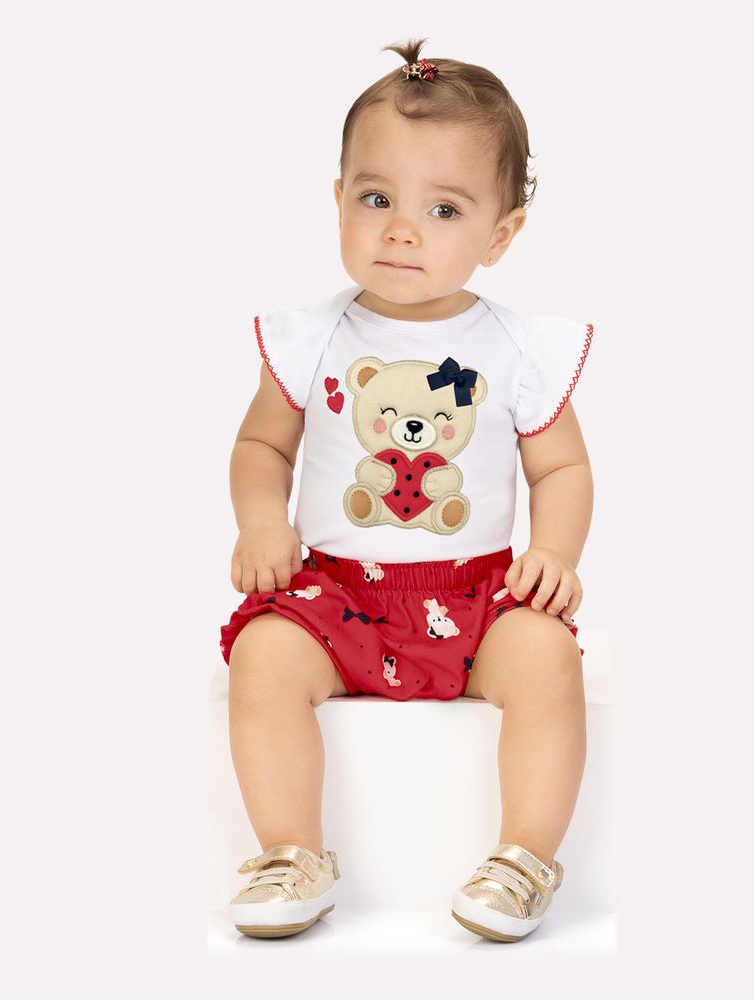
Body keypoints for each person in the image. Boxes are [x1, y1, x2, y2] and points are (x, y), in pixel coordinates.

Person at [220, 36, 595, 943]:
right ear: (338, 199)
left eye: (444, 208)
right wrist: (262, 520)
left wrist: (554, 552)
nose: (401, 229)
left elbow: (562, 467)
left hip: (476, 599)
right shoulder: (311, 338)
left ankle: (524, 859)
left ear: (500, 235)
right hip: (335, 599)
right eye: (376, 198)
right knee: (263, 657)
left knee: (547, 658)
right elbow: (262, 444)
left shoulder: (517, 350)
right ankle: (289, 854)